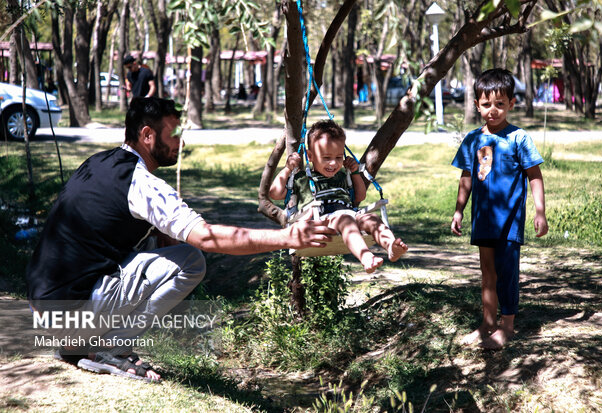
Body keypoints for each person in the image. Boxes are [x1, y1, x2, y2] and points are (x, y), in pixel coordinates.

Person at [26, 97, 336, 382]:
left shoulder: (99, 162)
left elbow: (158, 237)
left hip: (45, 307)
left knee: (158, 246)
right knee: (190, 260)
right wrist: (286, 236)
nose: (180, 141)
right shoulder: (143, 184)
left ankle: (77, 343)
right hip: (73, 311)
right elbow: (207, 238)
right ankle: (108, 349)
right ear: (148, 135)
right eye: (174, 134)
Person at [450, 68, 548, 350]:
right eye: (486, 104)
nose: (493, 110)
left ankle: (507, 326)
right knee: (487, 272)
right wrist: (458, 210)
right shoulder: (472, 140)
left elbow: (534, 176)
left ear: (511, 104)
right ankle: (487, 323)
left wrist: (540, 211)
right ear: (477, 104)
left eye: (500, 104)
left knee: (507, 271)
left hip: (510, 221)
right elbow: (466, 177)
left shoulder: (518, 138)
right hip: (483, 219)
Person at [269, 119, 408, 274]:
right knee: (346, 220)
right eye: (327, 158)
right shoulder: (302, 178)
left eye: (339, 157)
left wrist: (355, 173)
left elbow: (359, 197)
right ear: (310, 156)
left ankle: (390, 246)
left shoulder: (342, 176)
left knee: (372, 219)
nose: (334, 163)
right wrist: (288, 169)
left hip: (348, 215)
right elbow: (274, 193)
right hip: (320, 222)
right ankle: (366, 257)